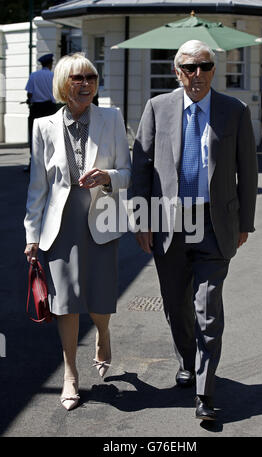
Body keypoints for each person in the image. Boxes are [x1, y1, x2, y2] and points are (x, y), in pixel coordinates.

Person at [132, 40, 258, 421]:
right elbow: (141, 167)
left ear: (213, 70)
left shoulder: (234, 111)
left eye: (204, 66)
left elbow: (247, 172)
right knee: (176, 304)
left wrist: (245, 222)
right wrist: (141, 220)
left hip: (214, 224)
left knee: (208, 310)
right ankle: (187, 358)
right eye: (189, 68)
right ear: (177, 71)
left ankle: (205, 393)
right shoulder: (157, 108)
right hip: (168, 224)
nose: (197, 75)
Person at [24, 53, 131, 411]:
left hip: (100, 218)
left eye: (91, 77)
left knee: (100, 299)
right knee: (65, 302)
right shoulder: (43, 127)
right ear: (62, 84)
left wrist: (109, 177)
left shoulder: (112, 118)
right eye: (77, 78)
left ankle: (102, 333)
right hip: (60, 223)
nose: (85, 84)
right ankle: (70, 373)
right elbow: (38, 186)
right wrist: (31, 234)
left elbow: (128, 173)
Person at [24, 53, 58, 171]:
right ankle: (49, 162)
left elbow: (29, 92)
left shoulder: (34, 75)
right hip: (49, 107)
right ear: (49, 64)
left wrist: (29, 100)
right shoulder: (53, 75)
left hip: (37, 108)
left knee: (34, 135)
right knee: (50, 136)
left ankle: (33, 163)